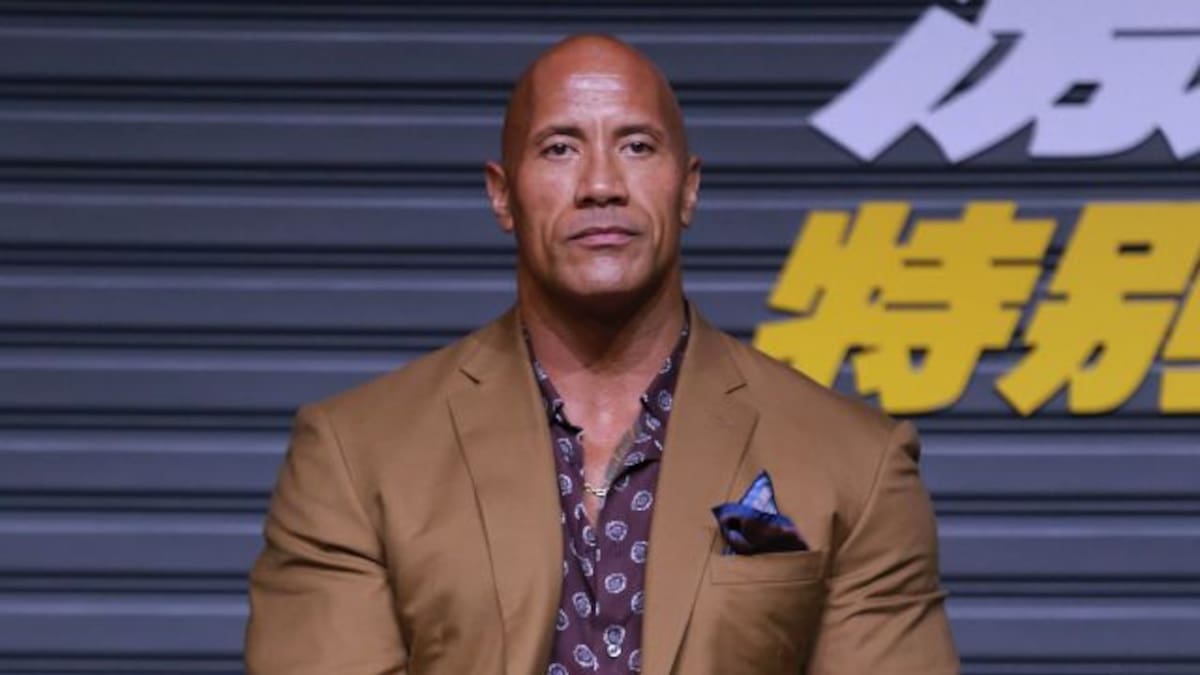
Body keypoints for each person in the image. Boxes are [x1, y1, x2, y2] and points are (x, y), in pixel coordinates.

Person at [245, 34, 959, 675]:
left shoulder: (853, 463)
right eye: (560, 148)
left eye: (637, 146)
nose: (601, 186)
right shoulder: (355, 456)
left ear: (688, 189)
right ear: (503, 195)